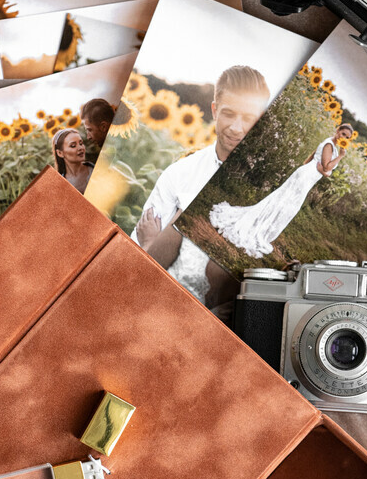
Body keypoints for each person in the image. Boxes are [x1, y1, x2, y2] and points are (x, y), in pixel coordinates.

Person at [136, 65, 271, 307]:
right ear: (215, 111)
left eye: (249, 118)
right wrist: (148, 245)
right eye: (229, 114)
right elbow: (141, 259)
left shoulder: (266, 187)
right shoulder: (180, 174)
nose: (237, 128)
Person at [209, 123, 354, 258]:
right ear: (337, 131)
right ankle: (260, 229)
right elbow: (327, 168)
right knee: (285, 205)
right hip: (305, 177)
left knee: (284, 203)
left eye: (347, 137)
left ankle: (265, 227)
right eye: (343, 134)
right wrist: (339, 158)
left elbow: (319, 165)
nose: (344, 138)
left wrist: (324, 169)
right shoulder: (330, 145)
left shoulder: (332, 145)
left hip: (306, 177)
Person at [52, 128, 93, 194]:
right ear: (60, 153)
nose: (80, 148)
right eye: (73, 146)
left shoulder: (96, 170)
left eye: (81, 143)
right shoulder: (60, 187)